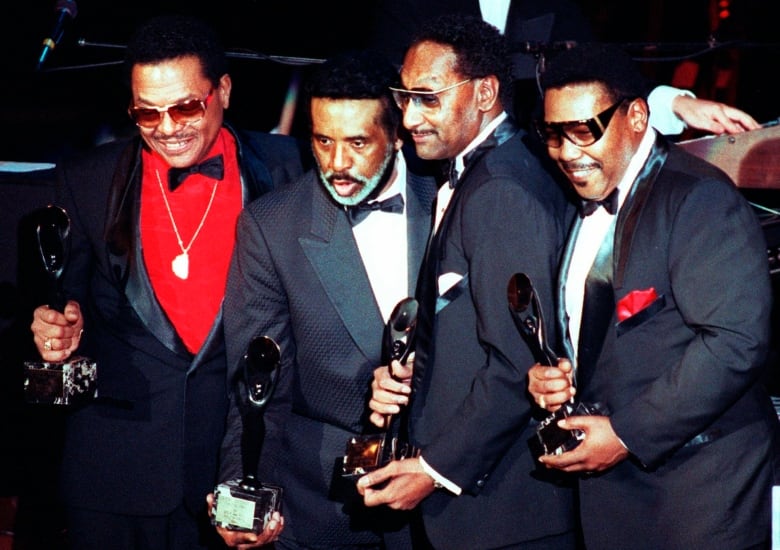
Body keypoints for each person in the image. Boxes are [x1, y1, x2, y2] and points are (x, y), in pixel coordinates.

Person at [29, 14, 304, 550]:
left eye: (185, 107)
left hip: (235, 472)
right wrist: (54, 334)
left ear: (222, 90)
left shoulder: (290, 168)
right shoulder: (87, 178)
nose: (167, 126)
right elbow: (56, 306)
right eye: (146, 112)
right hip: (114, 475)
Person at [527, 42, 779, 549]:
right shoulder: (582, 197)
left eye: (584, 130)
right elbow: (604, 332)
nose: (568, 152)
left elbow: (735, 342)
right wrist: (557, 371)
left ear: (637, 117)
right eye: (554, 134)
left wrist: (623, 433)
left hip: (702, 501)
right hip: (619, 503)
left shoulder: (698, 196)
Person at [357, 14, 578, 548]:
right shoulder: (485, 172)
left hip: (505, 517)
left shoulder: (502, 188)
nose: (408, 117)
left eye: (427, 98)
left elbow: (517, 363)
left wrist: (431, 470)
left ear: (485, 93)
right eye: (403, 97)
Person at [214, 50, 437, 549]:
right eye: (323, 141)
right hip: (324, 515)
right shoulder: (272, 227)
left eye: (358, 142)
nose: (337, 163)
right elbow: (254, 388)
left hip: (447, 506)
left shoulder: (454, 196)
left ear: (398, 132)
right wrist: (240, 499)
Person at [366, 0, 761, 135]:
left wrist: (676, 104)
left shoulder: (551, 3)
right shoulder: (407, 6)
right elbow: (386, 90)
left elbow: (594, 69)